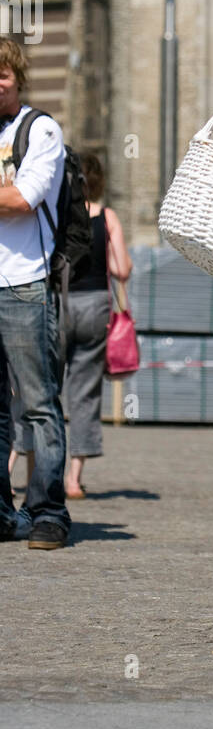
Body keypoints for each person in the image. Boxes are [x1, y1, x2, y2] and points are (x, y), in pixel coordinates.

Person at [0, 38, 70, 548]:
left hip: (24, 283)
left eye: (2, 74)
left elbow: (23, 198)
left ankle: (48, 511)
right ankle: (3, 514)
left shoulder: (40, 129)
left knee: (39, 404)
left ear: (17, 78)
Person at [62, 154, 132, 498]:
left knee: (41, 389)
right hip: (94, 306)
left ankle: (20, 465)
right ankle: (73, 479)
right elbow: (122, 269)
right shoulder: (107, 217)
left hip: (58, 303)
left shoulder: (60, 214)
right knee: (84, 393)